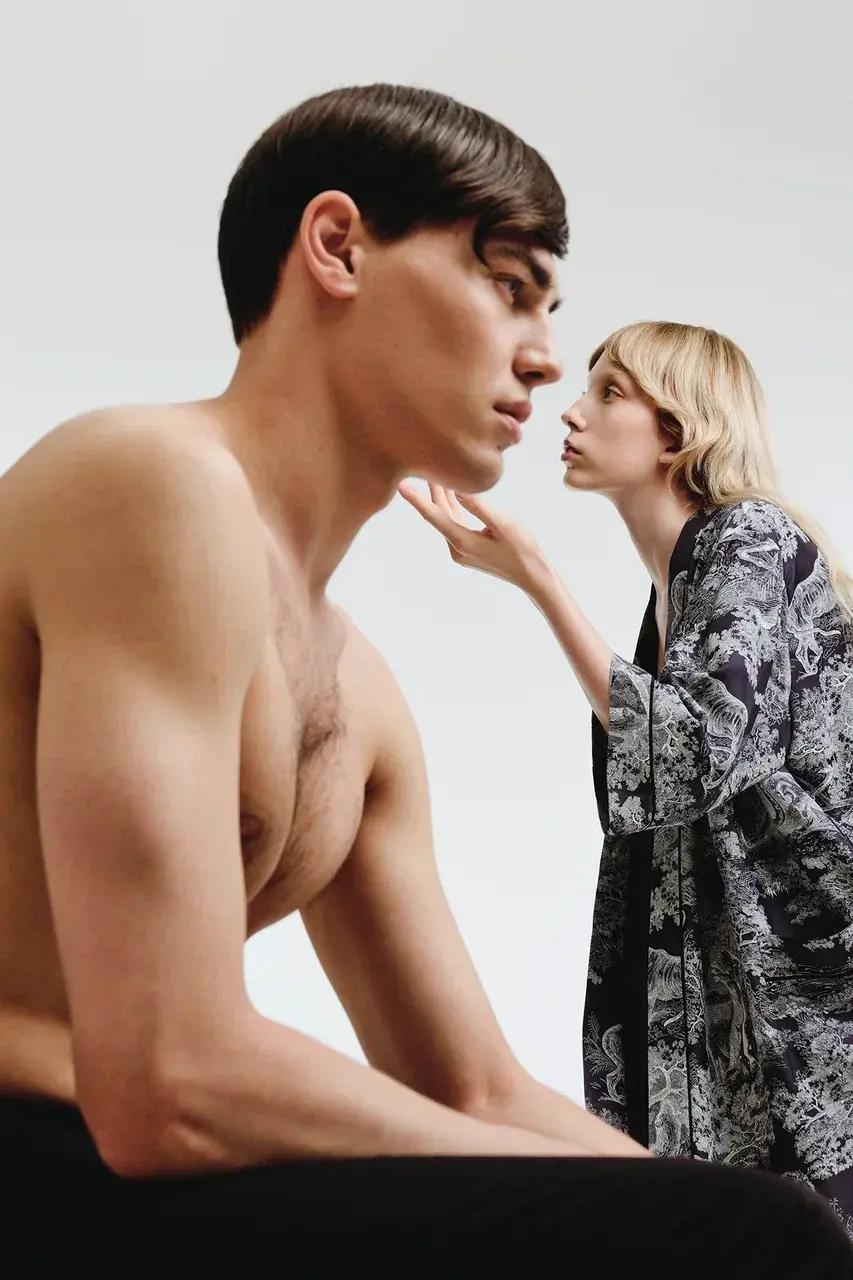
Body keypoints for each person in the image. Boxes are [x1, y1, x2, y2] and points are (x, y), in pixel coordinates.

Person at [1, 81, 849, 1270]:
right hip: (40, 1149)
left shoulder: (358, 697)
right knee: (751, 1233)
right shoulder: (152, 480)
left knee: (779, 1227)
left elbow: (476, 1087)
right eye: (507, 285)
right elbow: (168, 1077)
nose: (545, 358)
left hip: (130, 1180)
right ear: (338, 247)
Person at [400, 319, 853, 1239]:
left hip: (808, 985)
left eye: (608, 393)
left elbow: (692, 752)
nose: (571, 412)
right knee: (708, 1227)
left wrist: (537, 578)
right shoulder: (679, 579)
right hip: (718, 970)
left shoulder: (748, 540)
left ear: (676, 430)